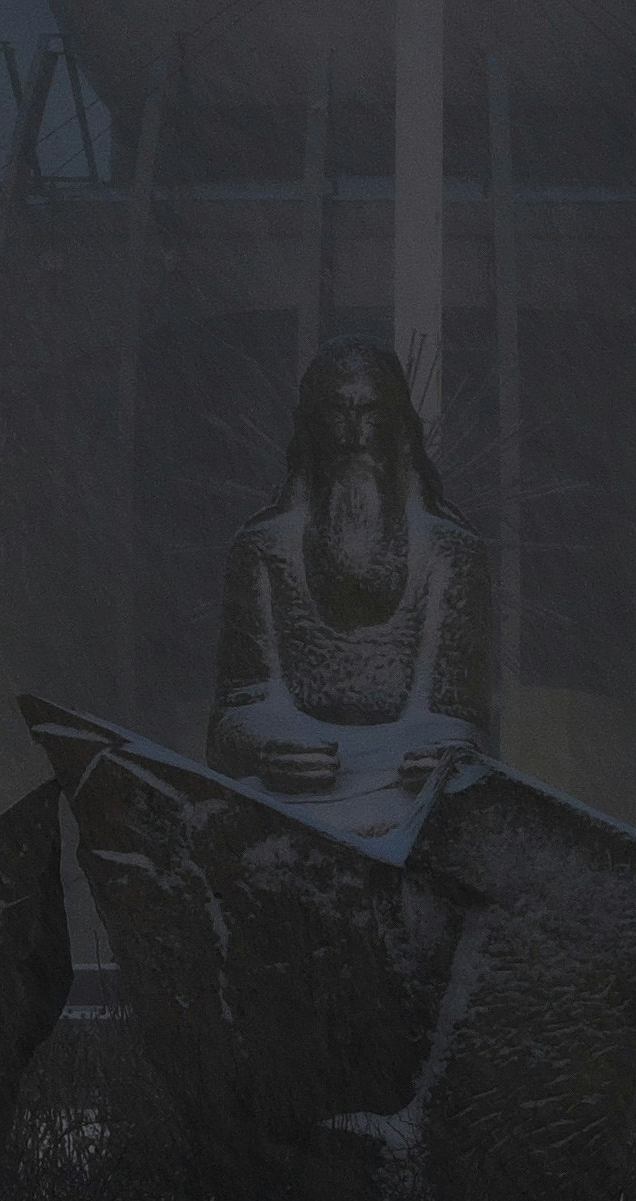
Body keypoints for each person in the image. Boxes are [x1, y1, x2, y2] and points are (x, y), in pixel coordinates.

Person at [206, 335, 497, 841]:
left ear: (401, 431)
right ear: (311, 428)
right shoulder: (262, 548)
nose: (355, 435)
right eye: (337, 413)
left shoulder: (451, 551)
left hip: (408, 795)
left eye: (370, 412)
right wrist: (270, 750)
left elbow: (459, 720)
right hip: (292, 793)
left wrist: (442, 758)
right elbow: (237, 713)